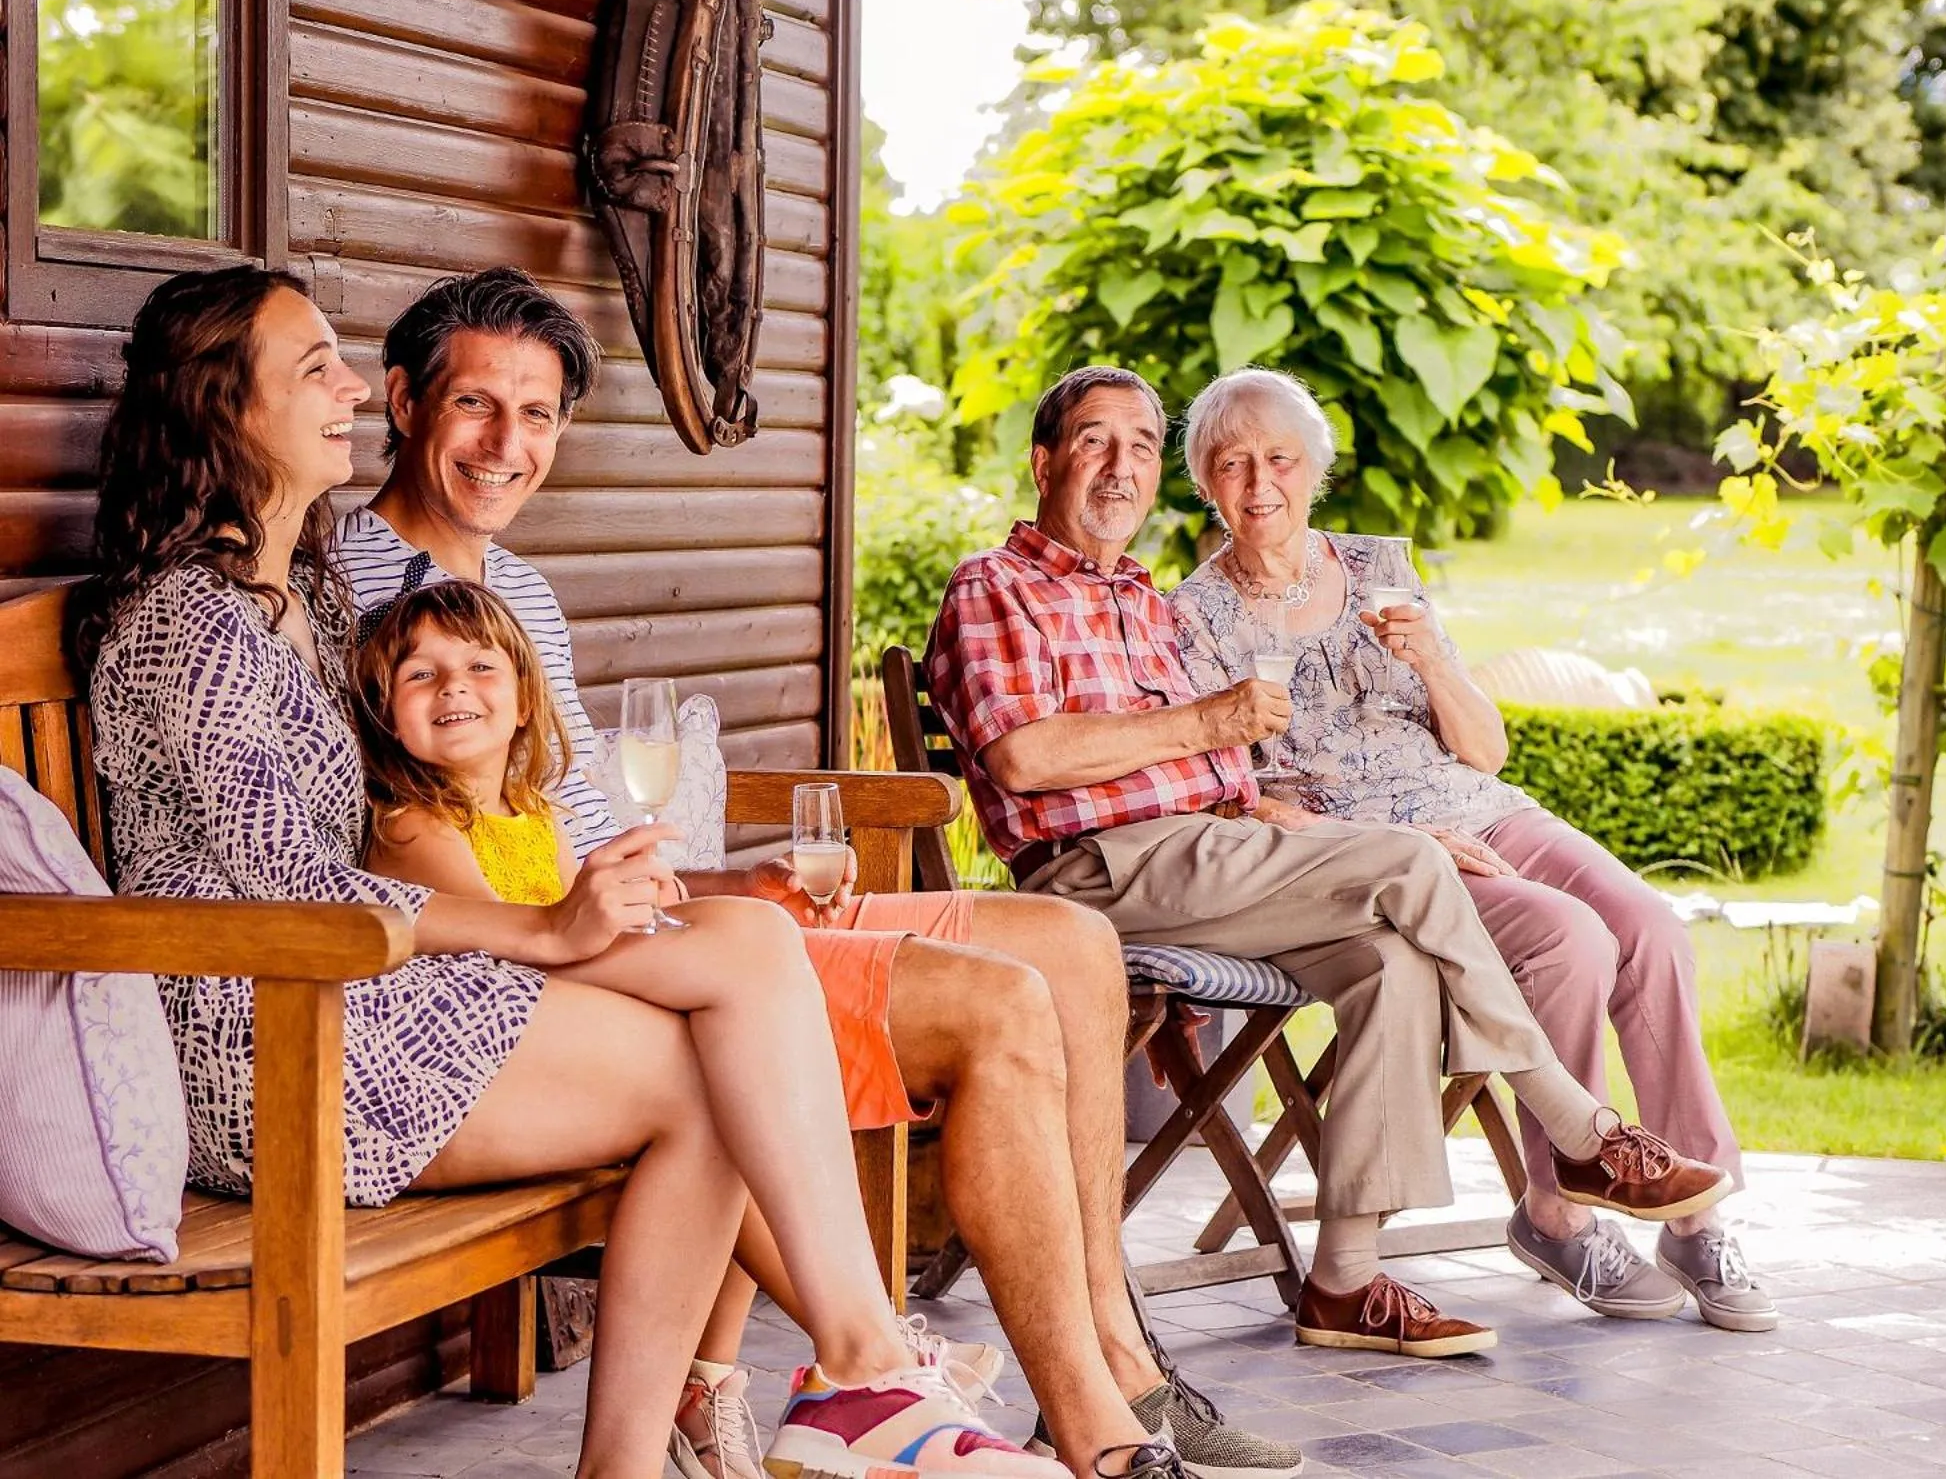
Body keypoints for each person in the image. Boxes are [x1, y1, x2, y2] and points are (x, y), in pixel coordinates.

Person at [73, 263, 1073, 1479]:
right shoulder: (191, 626)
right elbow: (294, 886)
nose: (345, 386)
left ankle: (821, 1386)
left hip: (365, 995)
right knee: (717, 1061)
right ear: (227, 410)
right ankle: (842, 1384)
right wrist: (547, 930)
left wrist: (605, 900)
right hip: (271, 1039)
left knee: (746, 972)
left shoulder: (303, 597)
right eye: (314, 367)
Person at [331, 267, 1295, 1479]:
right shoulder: (345, 600)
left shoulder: (512, 588)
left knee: (1067, 943)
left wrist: (730, 880)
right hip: (567, 966)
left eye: (535, 416)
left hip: (642, 911)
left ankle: (1115, 1352)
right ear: (403, 400)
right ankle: (1097, 1432)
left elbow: (566, 814)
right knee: (995, 1001)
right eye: (478, 407)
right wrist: (660, 910)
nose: (506, 445)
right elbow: (428, 849)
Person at [924, 364, 1735, 1360]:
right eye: (1094, 441)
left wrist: (1284, 804)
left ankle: (1342, 1282)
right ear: (1044, 459)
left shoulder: (1140, 600)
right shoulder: (995, 587)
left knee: (1391, 963)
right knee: (1407, 867)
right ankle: (1582, 1136)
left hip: (1223, 850)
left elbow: (1232, 773)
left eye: (1139, 445)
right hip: (1101, 868)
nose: (1119, 467)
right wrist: (1221, 740)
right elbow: (1023, 756)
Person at [1165, 366, 1774, 1333]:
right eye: (1232, 464)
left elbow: (1485, 750)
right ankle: (1559, 1213)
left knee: (1652, 929)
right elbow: (1244, 806)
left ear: (1314, 468)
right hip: (1375, 855)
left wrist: (1435, 662)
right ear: (1204, 481)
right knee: (1567, 940)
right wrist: (1409, 840)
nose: (1259, 483)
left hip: (1482, 806)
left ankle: (1696, 1218)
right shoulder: (1192, 620)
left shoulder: (1378, 571)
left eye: (1278, 458)